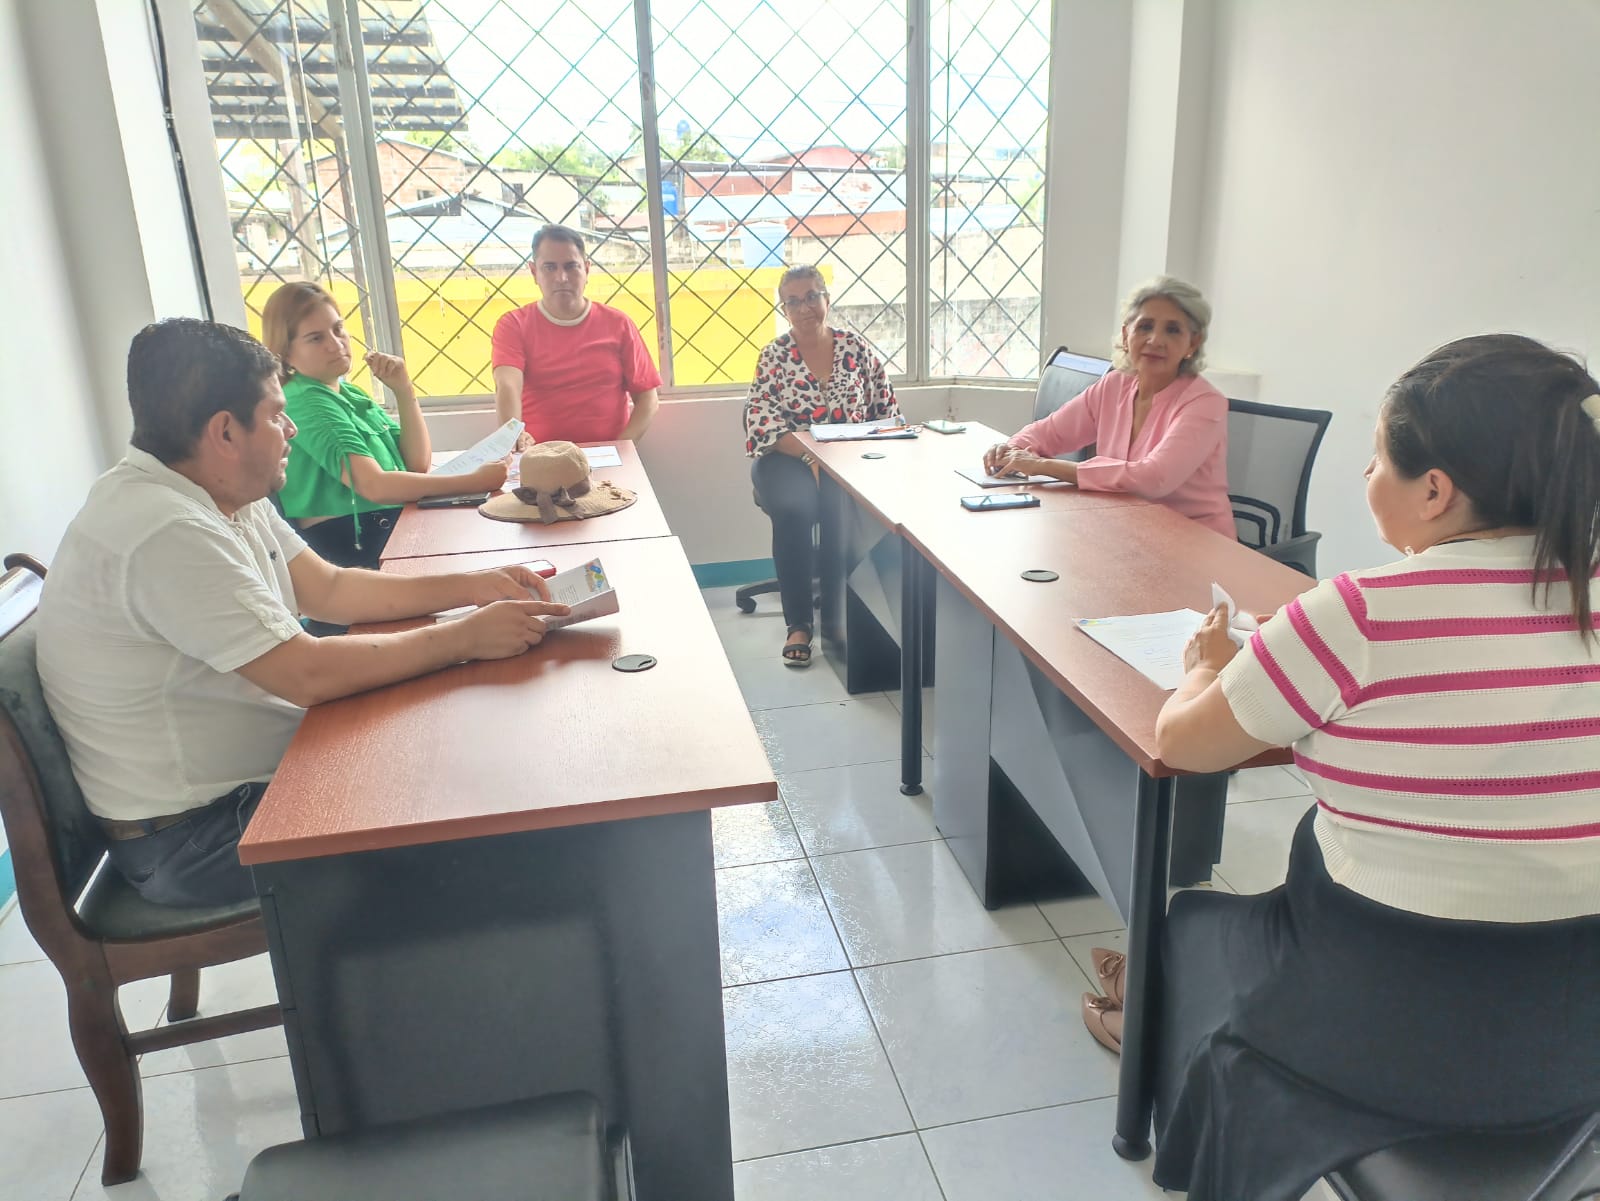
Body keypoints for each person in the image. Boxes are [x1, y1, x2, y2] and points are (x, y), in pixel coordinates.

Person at [1122, 334, 1600, 1201]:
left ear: (1435, 490)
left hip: (1389, 1037)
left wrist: (1206, 666)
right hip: (1576, 1045)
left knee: (1192, 921)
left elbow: (1182, 743)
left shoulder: (1358, 614)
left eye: (1377, 458)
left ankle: (1182, 1107)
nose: (1367, 475)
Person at [36, 319, 569, 910]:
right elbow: (307, 674)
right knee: (469, 811)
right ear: (225, 432)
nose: (290, 429)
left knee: (460, 749)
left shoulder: (214, 489)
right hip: (199, 836)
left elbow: (331, 589)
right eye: (276, 414)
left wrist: (475, 587)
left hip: (244, 789)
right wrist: (463, 638)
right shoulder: (163, 528)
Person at [262, 282, 508, 569]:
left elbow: (416, 465)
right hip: (353, 545)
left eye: (338, 329)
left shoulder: (350, 394)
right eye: (316, 338)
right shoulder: (306, 400)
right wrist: (472, 482)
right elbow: (374, 485)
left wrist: (403, 390)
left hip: (390, 528)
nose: (336, 344)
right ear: (285, 353)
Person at [981, 276, 1234, 538]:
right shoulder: (1115, 385)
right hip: (1126, 530)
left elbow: (1154, 479)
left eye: (1172, 330)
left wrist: (1042, 466)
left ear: (1192, 343)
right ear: (1126, 335)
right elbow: (1050, 432)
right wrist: (1011, 449)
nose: (1155, 340)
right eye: (1145, 327)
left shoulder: (1205, 403)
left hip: (1196, 541)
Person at [743, 264, 900, 666]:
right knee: (795, 510)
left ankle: (840, 614)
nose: (805, 307)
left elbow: (886, 411)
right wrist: (810, 456)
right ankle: (798, 624)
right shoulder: (774, 355)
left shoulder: (855, 347)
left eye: (812, 296)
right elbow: (761, 423)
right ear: (784, 309)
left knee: (842, 507)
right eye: (793, 301)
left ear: (827, 298)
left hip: (848, 458)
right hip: (786, 457)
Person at [491, 224, 662, 445]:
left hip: (608, 456)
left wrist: (621, 447)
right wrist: (512, 435)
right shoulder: (513, 325)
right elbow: (507, 385)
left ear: (587, 270)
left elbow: (648, 398)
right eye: (549, 267)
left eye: (571, 266)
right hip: (539, 456)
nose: (561, 277)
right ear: (534, 272)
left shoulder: (618, 324)